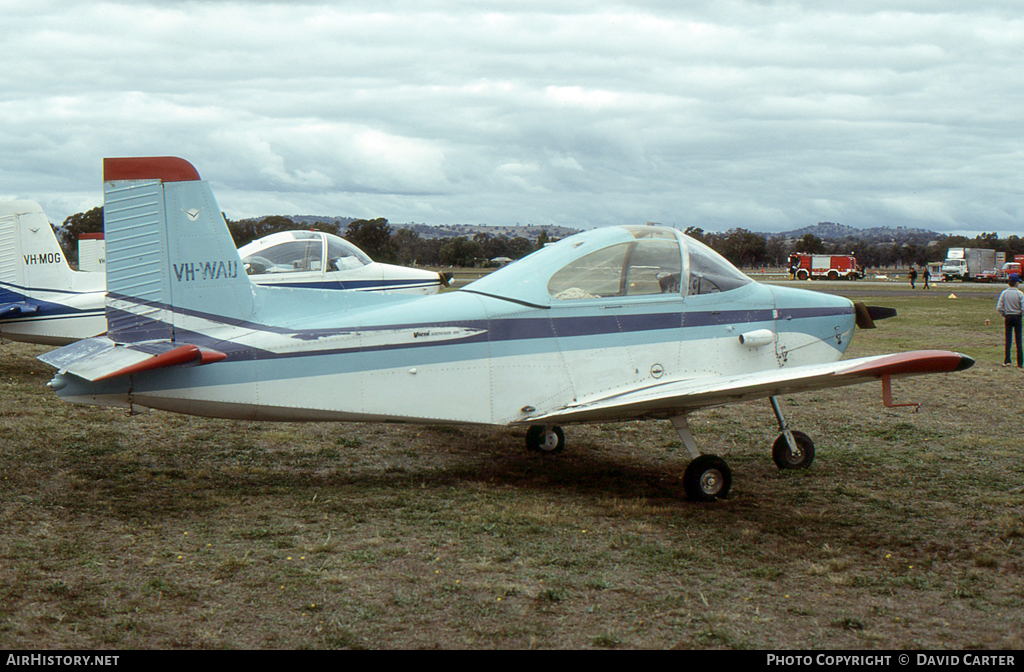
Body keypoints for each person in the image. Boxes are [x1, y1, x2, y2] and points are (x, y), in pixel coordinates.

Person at [996, 273, 1024, 368]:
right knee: (1018, 340)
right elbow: (1023, 307)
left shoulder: (1004, 293)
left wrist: (1003, 313)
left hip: (1008, 317)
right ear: (1016, 283)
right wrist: (1021, 313)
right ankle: (1020, 362)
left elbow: (999, 307)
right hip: (1017, 317)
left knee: (1008, 339)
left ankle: (1007, 360)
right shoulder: (1019, 293)